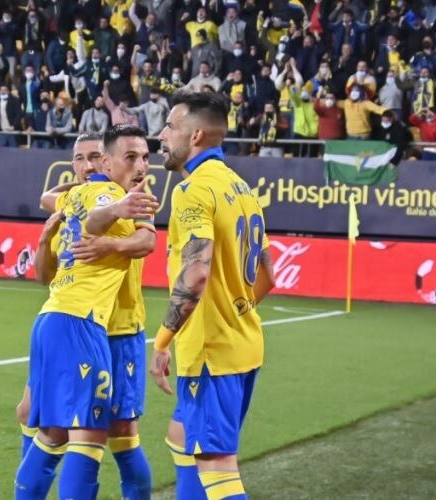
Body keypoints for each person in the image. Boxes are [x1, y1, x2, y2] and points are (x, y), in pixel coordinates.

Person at [14, 125, 158, 500]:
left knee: (112, 434)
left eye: (93, 157)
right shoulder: (103, 197)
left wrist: (111, 222)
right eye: (80, 158)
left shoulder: (116, 198)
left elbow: (140, 239)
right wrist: (111, 209)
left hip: (115, 327)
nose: (86, 164)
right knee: (73, 431)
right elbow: (96, 218)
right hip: (83, 324)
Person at [153, 91, 276, 499]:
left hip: (210, 352)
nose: (161, 135)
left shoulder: (193, 190)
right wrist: (235, 310)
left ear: (197, 135)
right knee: (186, 439)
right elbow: (267, 276)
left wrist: (163, 339)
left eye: (170, 126)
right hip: (244, 347)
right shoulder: (243, 190)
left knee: (217, 467)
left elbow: (197, 272)